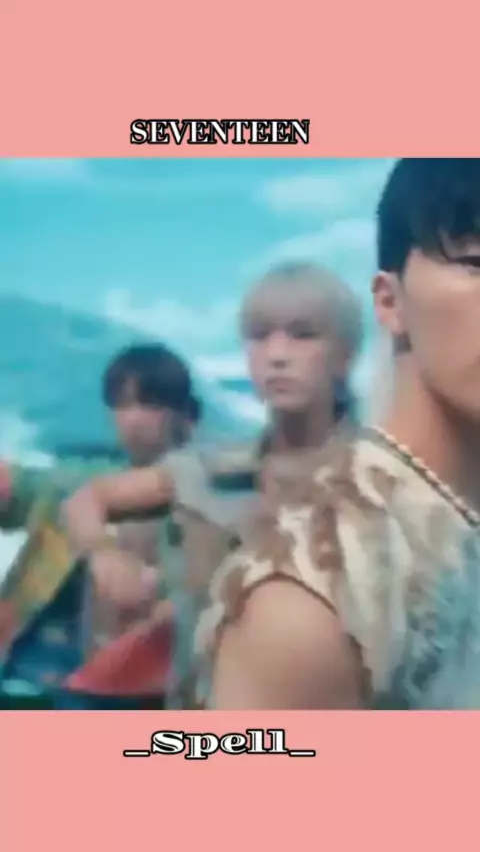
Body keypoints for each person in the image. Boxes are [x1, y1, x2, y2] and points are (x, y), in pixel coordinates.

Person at [196, 157, 480, 710]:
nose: (279, 356)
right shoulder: (311, 605)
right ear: (391, 302)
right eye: (476, 263)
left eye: (302, 335)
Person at [63, 262, 363, 707]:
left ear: (344, 354)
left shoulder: (378, 479)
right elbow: (88, 499)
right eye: (259, 336)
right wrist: (104, 555)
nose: (277, 355)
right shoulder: (211, 471)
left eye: (303, 335)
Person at [0, 343, 199, 705]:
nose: (133, 419)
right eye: (122, 405)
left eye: (150, 404)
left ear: (186, 416)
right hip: (27, 670)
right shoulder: (86, 481)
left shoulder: (211, 502)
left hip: (129, 691)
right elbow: (23, 485)